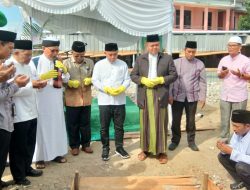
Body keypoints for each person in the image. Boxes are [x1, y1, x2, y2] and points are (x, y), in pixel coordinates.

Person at [130, 34, 177, 164]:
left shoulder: (167, 58)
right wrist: (142, 80)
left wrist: (162, 79)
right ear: (147, 46)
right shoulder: (140, 59)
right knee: (145, 122)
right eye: (152, 45)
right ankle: (145, 149)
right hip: (144, 94)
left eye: (157, 45)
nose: (154, 47)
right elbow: (133, 75)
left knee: (160, 122)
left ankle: (162, 151)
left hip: (160, 93)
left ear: (159, 45)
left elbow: (174, 75)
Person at [8, 40, 47, 186]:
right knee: (18, 147)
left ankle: (27, 168)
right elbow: (11, 90)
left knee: (30, 143)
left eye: (31, 55)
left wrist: (38, 83)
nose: (30, 58)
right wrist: (33, 85)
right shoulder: (9, 66)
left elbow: (31, 82)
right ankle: (18, 176)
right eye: (27, 55)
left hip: (31, 110)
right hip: (18, 113)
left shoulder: (28, 65)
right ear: (16, 52)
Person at [0, 30, 30, 189]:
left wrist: (13, 82)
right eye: (10, 48)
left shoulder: (3, 65)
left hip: (6, 117)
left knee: (3, 154)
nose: (11, 52)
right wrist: (17, 84)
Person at [34, 37, 69, 169]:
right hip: (42, 101)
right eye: (52, 50)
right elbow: (30, 79)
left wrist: (64, 70)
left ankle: (57, 153)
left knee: (57, 126)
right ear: (44, 49)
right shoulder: (35, 61)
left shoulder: (57, 61)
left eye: (57, 50)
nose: (55, 53)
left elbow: (65, 79)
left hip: (56, 99)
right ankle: (40, 157)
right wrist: (43, 76)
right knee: (42, 127)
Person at [92, 43, 130, 161]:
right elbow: (95, 80)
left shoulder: (123, 64)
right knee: (104, 127)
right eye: (110, 55)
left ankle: (119, 148)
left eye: (115, 54)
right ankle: (105, 148)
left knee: (119, 126)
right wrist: (105, 88)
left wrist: (122, 88)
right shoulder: (99, 65)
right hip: (104, 100)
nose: (113, 57)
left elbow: (127, 79)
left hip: (119, 100)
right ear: (105, 53)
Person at [168, 41, 207, 151]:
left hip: (192, 97)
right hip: (177, 96)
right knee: (176, 120)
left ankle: (191, 141)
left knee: (191, 121)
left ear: (196, 52)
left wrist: (202, 97)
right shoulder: (176, 63)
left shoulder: (200, 64)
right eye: (189, 51)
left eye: (193, 52)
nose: (191, 54)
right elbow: (171, 80)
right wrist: (170, 94)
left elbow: (203, 82)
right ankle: (175, 141)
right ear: (184, 50)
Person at [64, 41, 94, 156]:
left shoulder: (90, 62)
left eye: (82, 55)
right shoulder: (66, 63)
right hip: (72, 99)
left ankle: (86, 145)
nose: (79, 58)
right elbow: (61, 80)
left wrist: (91, 80)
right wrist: (69, 83)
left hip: (86, 98)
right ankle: (74, 146)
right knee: (72, 124)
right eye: (76, 55)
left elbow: (95, 77)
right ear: (72, 53)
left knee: (85, 123)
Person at [217, 36, 250, 138]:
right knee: (224, 120)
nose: (230, 48)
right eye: (229, 45)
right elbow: (219, 75)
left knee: (239, 121)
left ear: (239, 47)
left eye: (233, 45)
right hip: (225, 95)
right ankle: (224, 140)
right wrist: (223, 73)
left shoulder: (246, 60)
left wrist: (240, 75)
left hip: (239, 96)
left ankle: (239, 141)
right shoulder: (224, 59)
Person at [217, 110, 250, 190]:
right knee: (222, 156)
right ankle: (241, 181)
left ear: (247, 126)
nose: (234, 129)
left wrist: (231, 151)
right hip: (244, 161)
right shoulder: (237, 132)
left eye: (237, 126)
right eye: (233, 125)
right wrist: (224, 147)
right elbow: (235, 147)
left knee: (241, 167)